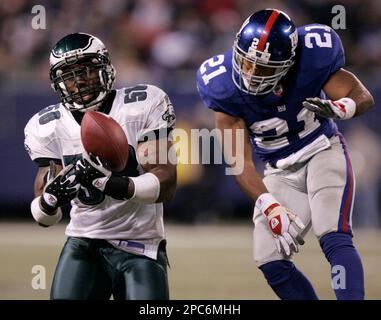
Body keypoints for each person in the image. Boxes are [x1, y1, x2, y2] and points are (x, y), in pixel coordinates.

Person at [196, 9, 374, 300]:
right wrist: (270, 206)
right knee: (269, 260)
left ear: (288, 63)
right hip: (279, 170)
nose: (251, 74)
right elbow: (238, 162)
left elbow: (361, 94)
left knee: (334, 235)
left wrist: (344, 107)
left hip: (322, 151)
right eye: (246, 62)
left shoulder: (313, 56)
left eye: (263, 69)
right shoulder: (222, 85)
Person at [24, 33, 177, 300]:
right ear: (57, 83)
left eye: (85, 71)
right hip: (84, 242)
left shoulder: (142, 104)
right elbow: (43, 216)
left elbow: (166, 183)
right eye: (68, 75)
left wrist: (110, 183)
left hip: (140, 244)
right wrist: (50, 199)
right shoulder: (47, 125)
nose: (78, 81)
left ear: (105, 68)